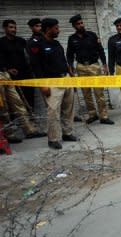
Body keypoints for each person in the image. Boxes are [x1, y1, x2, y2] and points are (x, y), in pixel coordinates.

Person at [29, 18, 78, 149]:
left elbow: (63, 60)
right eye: (56, 28)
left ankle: (68, 133)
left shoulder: (56, 43)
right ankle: (53, 139)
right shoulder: (37, 45)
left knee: (68, 109)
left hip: (65, 79)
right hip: (51, 82)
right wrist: (42, 85)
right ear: (48, 29)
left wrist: (71, 75)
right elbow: (36, 67)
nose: (58, 30)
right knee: (53, 111)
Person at [0, 19, 45, 141]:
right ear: (5, 29)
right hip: (6, 77)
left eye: (14, 27)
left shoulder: (21, 41)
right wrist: (8, 69)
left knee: (22, 103)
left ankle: (30, 130)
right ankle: (8, 134)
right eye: (10, 27)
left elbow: (29, 56)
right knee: (4, 107)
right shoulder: (1, 43)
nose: (13, 30)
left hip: (24, 76)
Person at [66, 14, 114, 125]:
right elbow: (69, 54)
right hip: (81, 67)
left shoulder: (92, 35)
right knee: (86, 93)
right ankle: (93, 115)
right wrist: (70, 66)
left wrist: (105, 64)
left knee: (99, 93)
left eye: (82, 23)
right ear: (74, 26)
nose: (81, 25)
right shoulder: (72, 39)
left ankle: (104, 116)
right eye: (78, 24)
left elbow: (101, 50)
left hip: (94, 66)